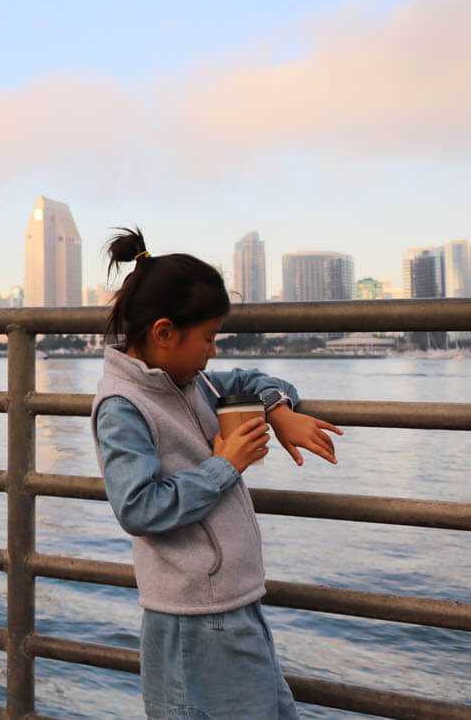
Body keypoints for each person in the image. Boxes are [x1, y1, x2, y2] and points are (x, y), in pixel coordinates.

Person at [91, 228, 342, 720]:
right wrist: (226, 465)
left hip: (232, 604)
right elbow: (137, 507)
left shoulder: (194, 382)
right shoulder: (123, 407)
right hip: (195, 619)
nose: (212, 351)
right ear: (164, 333)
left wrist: (278, 410)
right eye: (207, 338)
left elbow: (255, 379)